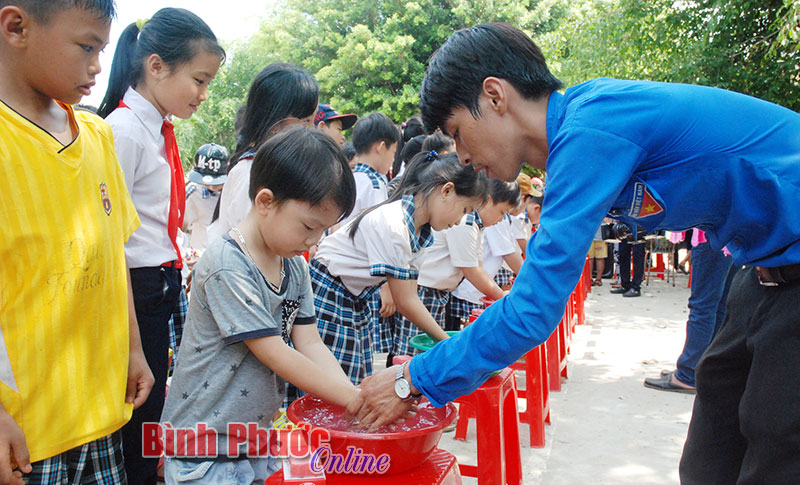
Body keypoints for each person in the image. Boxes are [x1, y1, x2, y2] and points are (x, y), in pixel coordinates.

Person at [355, 23, 800, 484]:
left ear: (494, 96)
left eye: (458, 132)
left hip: (793, 267)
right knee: (712, 447)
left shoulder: (592, 129)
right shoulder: (579, 134)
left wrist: (413, 381)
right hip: (762, 270)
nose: (462, 156)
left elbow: (532, 310)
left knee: (777, 447)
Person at [0, 0, 153, 482]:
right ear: (16, 27)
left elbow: (113, 254)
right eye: (86, 46)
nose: (98, 65)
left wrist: (132, 348)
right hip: (26, 433)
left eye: (103, 48)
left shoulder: (97, 136)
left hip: (99, 412)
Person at [160, 126, 361, 483]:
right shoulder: (228, 264)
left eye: (323, 231)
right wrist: (351, 399)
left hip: (254, 439)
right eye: (308, 227)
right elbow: (273, 352)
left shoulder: (294, 265)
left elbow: (310, 342)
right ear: (265, 202)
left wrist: (353, 396)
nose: (314, 242)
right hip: (204, 448)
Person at [98, 8, 225, 483]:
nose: (203, 94)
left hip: (160, 281)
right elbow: (111, 236)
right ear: (156, 66)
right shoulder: (124, 131)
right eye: (198, 79)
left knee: (153, 399)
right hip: (135, 286)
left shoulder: (156, 130)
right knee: (137, 405)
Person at [310, 152, 487, 384]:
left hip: (354, 295)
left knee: (354, 376)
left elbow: (409, 295)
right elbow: (407, 301)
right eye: (465, 210)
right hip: (329, 290)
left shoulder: (420, 232)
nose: (459, 221)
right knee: (333, 382)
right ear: (446, 191)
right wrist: (449, 344)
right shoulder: (395, 224)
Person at [208, 63, 319, 242]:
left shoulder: (278, 170)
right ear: (275, 122)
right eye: (305, 121)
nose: (312, 130)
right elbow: (248, 248)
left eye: (313, 121)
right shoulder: (250, 174)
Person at [644, 236, 737, 393]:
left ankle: (688, 373)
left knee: (703, 306)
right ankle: (704, 368)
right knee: (717, 305)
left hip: (712, 233)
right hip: (732, 235)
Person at [448, 180, 522, 326]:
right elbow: (472, 270)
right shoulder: (466, 222)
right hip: (448, 291)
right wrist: (502, 297)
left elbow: (478, 266)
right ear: (487, 200)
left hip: (450, 291)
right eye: (501, 212)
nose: (501, 219)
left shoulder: (478, 224)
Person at [184, 143, 229, 252]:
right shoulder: (193, 192)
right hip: (200, 255)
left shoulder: (232, 191)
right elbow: (179, 227)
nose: (212, 186)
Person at [609, 229, 645, 297]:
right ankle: (625, 285)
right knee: (623, 255)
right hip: (625, 226)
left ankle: (636, 287)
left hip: (639, 226)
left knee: (638, 256)